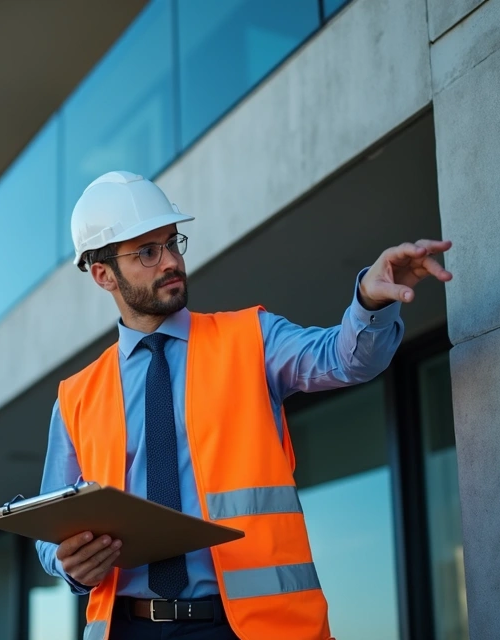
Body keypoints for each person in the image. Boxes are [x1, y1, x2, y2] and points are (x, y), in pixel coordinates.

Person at [34, 171, 453, 640]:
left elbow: (345, 360)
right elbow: (52, 526)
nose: (171, 261)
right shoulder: (77, 395)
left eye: (172, 243)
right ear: (103, 274)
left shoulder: (252, 337)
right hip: (127, 629)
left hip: (253, 628)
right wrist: (68, 563)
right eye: (148, 252)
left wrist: (369, 304)